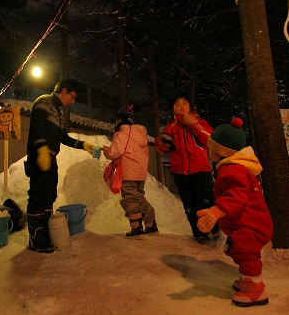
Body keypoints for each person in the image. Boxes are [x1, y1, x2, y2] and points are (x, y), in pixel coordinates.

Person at [196, 118, 273, 307]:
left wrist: (217, 210)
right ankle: (248, 281)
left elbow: (236, 195)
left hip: (249, 225)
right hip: (246, 222)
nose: (208, 150)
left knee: (246, 253)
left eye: (211, 147)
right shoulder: (233, 167)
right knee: (240, 251)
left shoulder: (232, 170)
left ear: (224, 151)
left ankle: (255, 290)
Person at [25, 79, 96, 253]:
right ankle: (36, 240)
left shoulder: (58, 112)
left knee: (49, 196)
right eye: (72, 97)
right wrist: (41, 149)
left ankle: (46, 235)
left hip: (51, 160)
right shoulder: (43, 103)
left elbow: (63, 137)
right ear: (63, 91)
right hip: (39, 159)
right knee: (38, 197)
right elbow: (37, 128)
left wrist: (82, 145)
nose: (72, 101)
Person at [154, 95, 219, 244]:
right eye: (177, 103)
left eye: (184, 103)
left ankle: (214, 227)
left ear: (190, 106)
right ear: (172, 109)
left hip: (201, 168)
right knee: (190, 205)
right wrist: (161, 144)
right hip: (179, 171)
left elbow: (210, 139)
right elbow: (164, 147)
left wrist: (194, 124)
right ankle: (199, 233)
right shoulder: (170, 127)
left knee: (206, 200)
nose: (181, 106)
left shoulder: (199, 122)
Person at [102, 104, 158, 237]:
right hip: (140, 174)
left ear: (120, 120)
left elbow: (115, 153)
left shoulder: (122, 133)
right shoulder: (141, 135)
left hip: (127, 173)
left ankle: (136, 227)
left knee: (130, 198)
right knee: (139, 197)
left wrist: (106, 150)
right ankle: (151, 224)